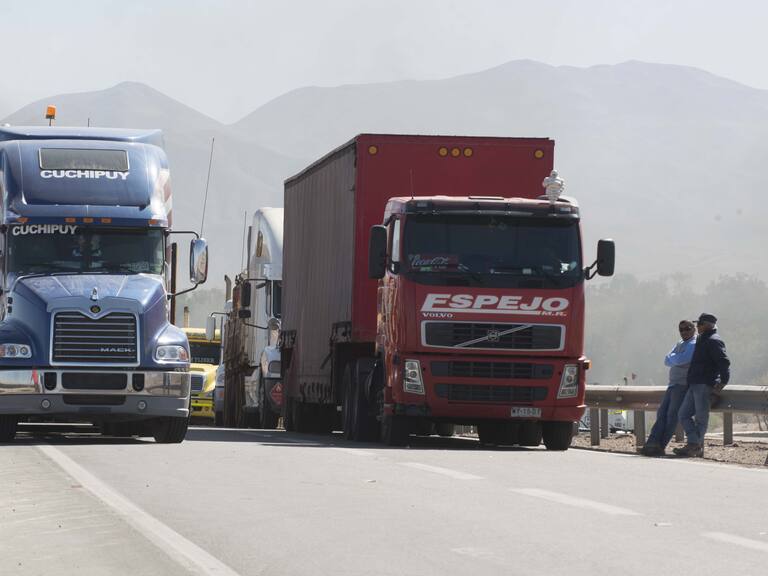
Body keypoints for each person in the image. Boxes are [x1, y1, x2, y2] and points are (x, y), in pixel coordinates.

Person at [673, 313, 730, 458]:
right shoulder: (702, 339)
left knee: (701, 418)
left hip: (705, 384)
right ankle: (695, 443)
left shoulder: (714, 340)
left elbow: (724, 362)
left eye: (699, 324)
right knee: (683, 414)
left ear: (707, 325)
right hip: (694, 384)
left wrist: (723, 382)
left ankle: (693, 445)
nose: (697, 326)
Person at [639, 320, 697, 456]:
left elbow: (681, 359)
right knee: (662, 414)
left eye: (687, 328)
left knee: (672, 417)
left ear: (693, 329)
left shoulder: (694, 344)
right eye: (681, 329)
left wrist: (674, 357)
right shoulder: (681, 343)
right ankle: (652, 444)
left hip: (682, 385)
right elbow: (667, 360)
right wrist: (675, 358)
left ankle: (659, 445)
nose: (684, 331)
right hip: (672, 384)